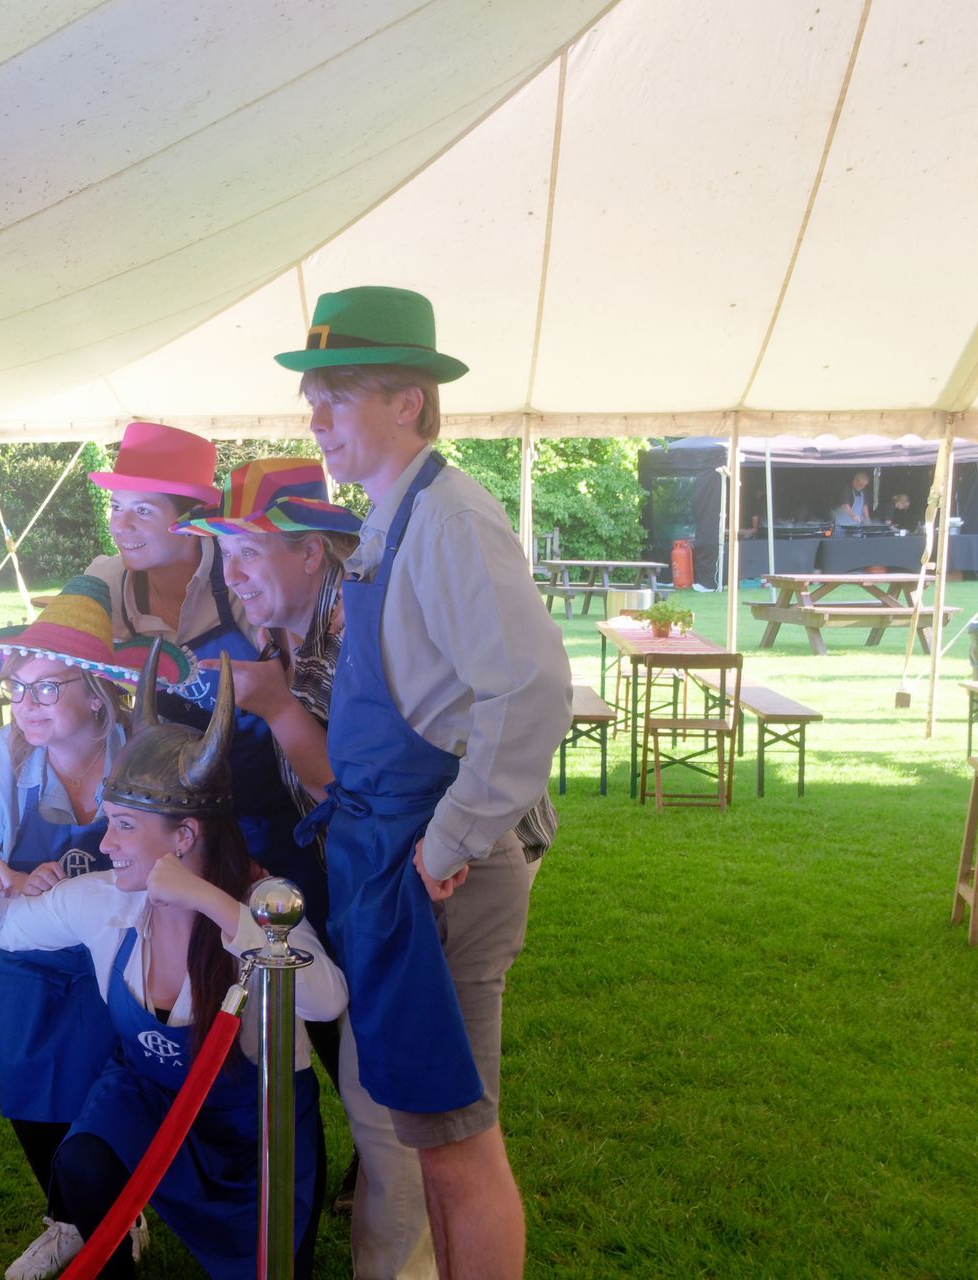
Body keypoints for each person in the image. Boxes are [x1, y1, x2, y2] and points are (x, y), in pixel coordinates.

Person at [275, 285, 573, 1280]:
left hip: (440, 875)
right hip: (393, 868)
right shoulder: (391, 517)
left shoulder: (449, 518)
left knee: (458, 1141)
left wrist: (450, 842)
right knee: (429, 1137)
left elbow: (527, 690)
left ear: (409, 399)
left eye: (339, 395)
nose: (316, 417)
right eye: (314, 397)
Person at [0, 650, 348, 1279]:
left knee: (274, 1263)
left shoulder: (262, 902)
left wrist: (214, 904)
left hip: (253, 1134)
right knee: (81, 1167)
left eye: (124, 826)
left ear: (183, 836)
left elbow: (326, 1000)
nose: (103, 845)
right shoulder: (106, 901)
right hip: (150, 1106)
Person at [176, 458, 439, 1279]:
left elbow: (361, 794)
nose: (234, 576)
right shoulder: (280, 631)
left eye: (250, 553)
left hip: (435, 869)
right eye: (226, 557)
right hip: (369, 873)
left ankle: (402, 1253)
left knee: (395, 1094)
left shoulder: (360, 625)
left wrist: (276, 707)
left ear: (311, 555)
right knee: (372, 1075)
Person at [0, 578, 199, 1280]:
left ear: (96, 693)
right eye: (19, 689)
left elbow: (187, 847)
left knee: (110, 1085)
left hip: (117, 945)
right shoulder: (5, 758)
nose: (27, 706)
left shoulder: (144, 750)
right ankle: (73, 1221)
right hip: (23, 950)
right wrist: (2, 879)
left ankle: (114, 1213)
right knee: (28, 1090)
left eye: (47, 689)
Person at [84, 424, 327, 945]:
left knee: (288, 943)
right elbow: (59, 655)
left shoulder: (244, 580)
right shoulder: (107, 581)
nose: (121, 526)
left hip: (270, 802)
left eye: (142, 510)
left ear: (187, 523)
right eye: (116, 507)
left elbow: (301, 683)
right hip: (174, 818)